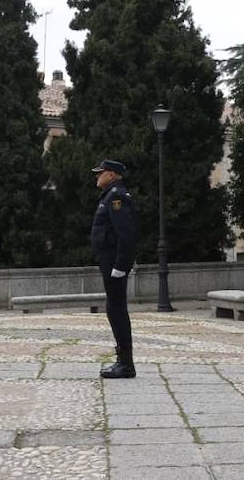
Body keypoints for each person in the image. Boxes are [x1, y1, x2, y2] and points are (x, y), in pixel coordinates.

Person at [90, 159, 138, 378]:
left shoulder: (116, 196)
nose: (97, 176)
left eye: (100, 173)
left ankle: (126, 364)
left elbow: (125, 235)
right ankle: (123, 360)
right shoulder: (110, 195)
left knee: (117, 309)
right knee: (114, 309)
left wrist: (120, 266)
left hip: (114, 263)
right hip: (108, 261)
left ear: (111, 175)